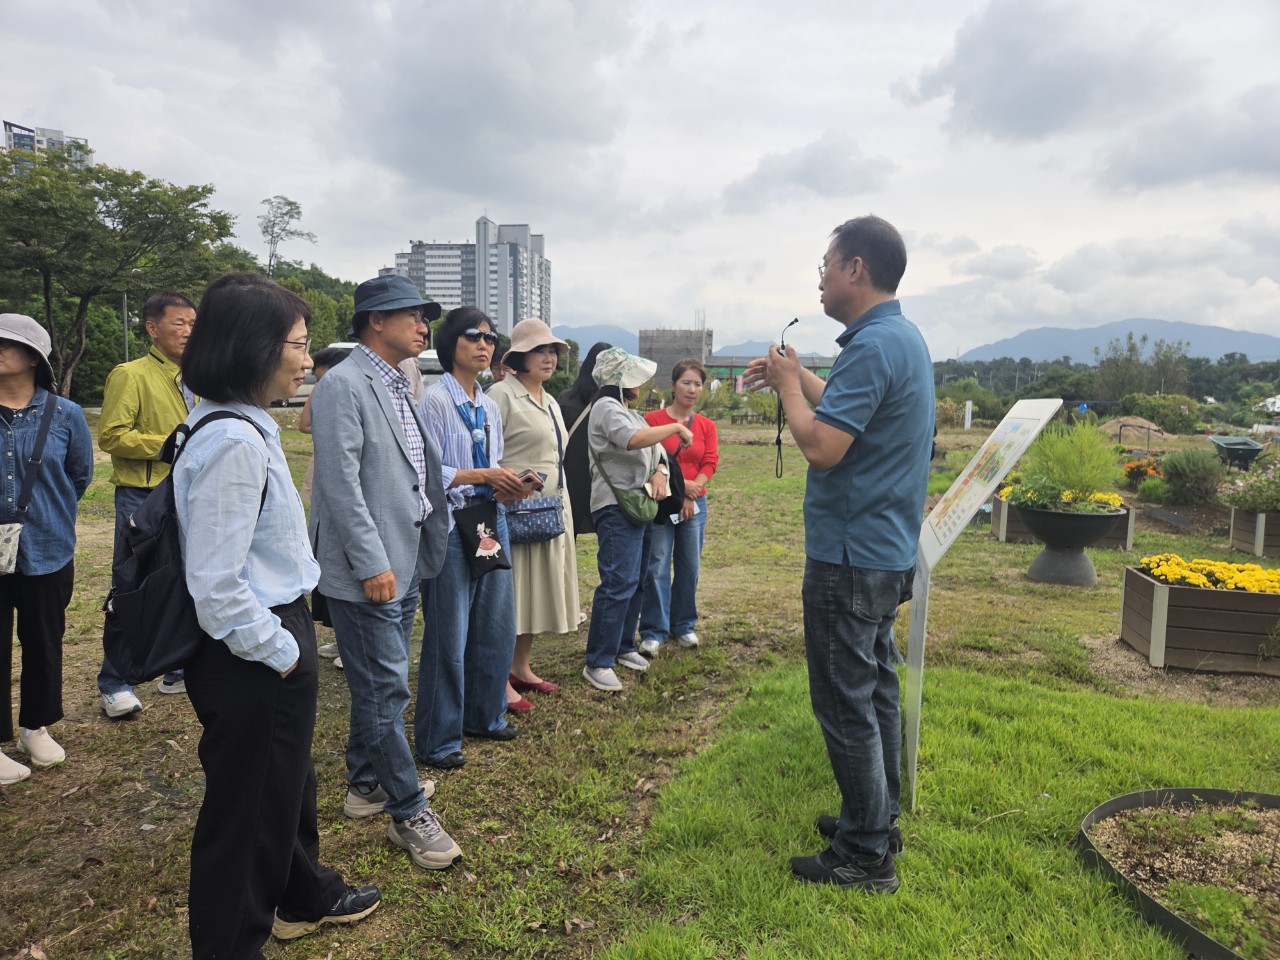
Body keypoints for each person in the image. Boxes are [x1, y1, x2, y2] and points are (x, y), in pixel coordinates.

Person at [175, 274, 379, 957]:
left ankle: (302, 892)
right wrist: (282, 651)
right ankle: (231, 943)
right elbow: (215, 584)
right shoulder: (231, 442)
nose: (307, 360)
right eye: (297, 345)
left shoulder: (237, 425)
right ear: (253, 347)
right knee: (250, 807)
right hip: (252, 647)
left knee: (284, 780)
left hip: (268, 634)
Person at [743, 215, 933, 893]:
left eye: (826, 265)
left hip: (849, 557)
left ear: (856, 268)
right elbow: (851, 413)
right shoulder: (895, 339)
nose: (819, 279)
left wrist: (791, 389)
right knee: (875, 686)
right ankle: (874, 820)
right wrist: (799, 377)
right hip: (883, 551)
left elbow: (823, 447)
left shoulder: (874, 347)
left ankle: (864, 857)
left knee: (845, 702)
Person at [310, 274, 461, 870]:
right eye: (414, 315)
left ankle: (365, 783)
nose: (425, 326)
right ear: (376, 320)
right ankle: (407, 811)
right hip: (371, 566)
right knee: (384, 687)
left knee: (379, 681)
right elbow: (340, 484)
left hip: (406, 553)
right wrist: (371, 563)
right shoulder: (344, 384)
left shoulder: (400, 380)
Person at [416, 307, 525, 768]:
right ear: (449, 344)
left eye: (490, 337)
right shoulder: (435, 401)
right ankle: (439, 738)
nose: (484, 344)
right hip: (449, 523)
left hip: (488, 518)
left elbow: (493, 461)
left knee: (495, 622)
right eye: (473, 336)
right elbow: (424, 472)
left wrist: (510, 483)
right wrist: (479, 474)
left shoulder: (487, 403)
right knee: (449, 630)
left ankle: (486, 714)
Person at [0, 315, 93, 785]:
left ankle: (34, 726)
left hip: (49, 546)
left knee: (43, 640)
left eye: (7, 343)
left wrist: (45, 514)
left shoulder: (66, 414)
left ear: (34, 355)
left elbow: (79, 476)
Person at [96, 292, 197, 715]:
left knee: (189, 579)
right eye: (179, 323)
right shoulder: (131, 374)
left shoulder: (200, 376)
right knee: (134, 584)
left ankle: (177, 668)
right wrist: (167, 446)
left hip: (188, 493)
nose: (189, 331)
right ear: (152, 328)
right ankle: (114, 682)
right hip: (143, 494)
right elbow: (111, 435)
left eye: (194, 322)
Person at [582, 347, 691, 693]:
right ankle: (598, 660)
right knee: (618, 582)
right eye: (634, 380)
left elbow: (657, 451)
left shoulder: (629, 411)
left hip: (639, 502)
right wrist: (673, 426)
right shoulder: (606, 408)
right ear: (619, 382)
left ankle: (624, 645)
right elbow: (632, 441)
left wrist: (660, 472)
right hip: (615, 506)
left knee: (638, 579)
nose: (640, 386)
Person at [487, 319, 579, 712]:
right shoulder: (501, 395)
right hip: (515, 506)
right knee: (513, 592)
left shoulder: (551, 399)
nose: (549, 357)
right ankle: (498, 679)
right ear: (519, 356)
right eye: (540, 350)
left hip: (552, 505)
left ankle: (520, 667)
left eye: (553, 351)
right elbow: (487, 456)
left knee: (539, 585)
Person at [638, 359, 719, 656]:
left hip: (695, 502)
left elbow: (710, 461)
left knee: (689, 566)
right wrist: (682, 486)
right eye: (686, 382)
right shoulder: (653, 420)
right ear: (672, 386)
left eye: (698, 384)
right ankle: (653, 630)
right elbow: (648, 459)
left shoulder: (707, 426)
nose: (692, 389)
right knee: (656, 565)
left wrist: (691, 490)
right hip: (662, 502)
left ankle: (683, 624)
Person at [557, 341, 611, 538]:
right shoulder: (613, 406)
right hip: (602, 479)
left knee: (567, 537)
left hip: (571, 478)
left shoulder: (566, 399)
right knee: (609, 541)